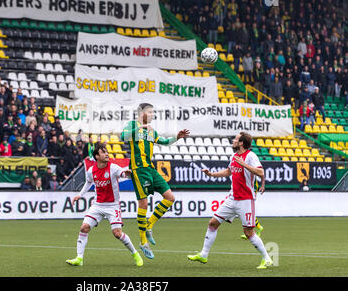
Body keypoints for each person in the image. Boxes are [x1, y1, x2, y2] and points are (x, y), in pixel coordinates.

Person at [187, 132, 273, 269]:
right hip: (232, 198)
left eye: (236, 139)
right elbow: (228, 171)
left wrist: (244, 164)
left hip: (245, 200)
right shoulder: (234, 156)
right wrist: (211, 174)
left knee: (249, 233)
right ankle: (203, 254)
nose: (233, 141)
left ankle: (267, 258)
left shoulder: (250, 156)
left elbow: (261, 172)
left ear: (241, 143)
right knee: (212, 223)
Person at [121, 103, 190, 259]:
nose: (153, 115)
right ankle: (143, 242)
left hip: (150, 169)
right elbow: (123, 137)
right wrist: (141, 128)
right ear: (142, 113)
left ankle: (149, 225)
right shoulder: (132, 125)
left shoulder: (151, 130)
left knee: (170, 197)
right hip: (138, 169)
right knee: (143, 203)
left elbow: (164, 142)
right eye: (150, 112)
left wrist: (177, 138)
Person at [66, 143, 143, 267]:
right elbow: (88, 182)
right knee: (84, 228)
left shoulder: (113, 168)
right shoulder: (91, 171)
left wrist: (127, 173)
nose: (107, 154)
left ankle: (135, 253)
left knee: (117, 233)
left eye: (107, 151)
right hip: (98, 205)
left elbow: (123, 173)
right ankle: (79, 258)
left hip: (113, 206)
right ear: (97, 156)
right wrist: (80, 195)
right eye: (103, 152)